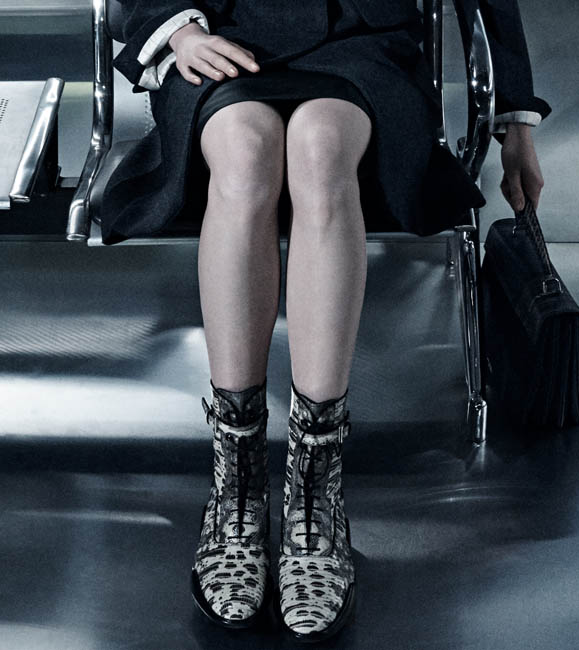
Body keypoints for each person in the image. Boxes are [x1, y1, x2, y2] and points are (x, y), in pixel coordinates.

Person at [104, 0, 551, 642]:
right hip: (222, 37)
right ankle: (237, 484)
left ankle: (316, 491)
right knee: (246, 149)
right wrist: (178, 30)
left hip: (365, 45)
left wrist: (515, 121)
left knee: (319, 147)